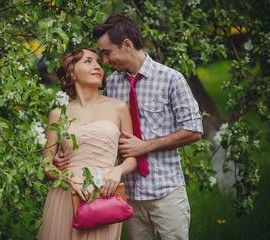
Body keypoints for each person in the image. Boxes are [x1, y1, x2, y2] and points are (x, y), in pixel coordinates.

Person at [54, 14, 203, 240]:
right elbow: (101, 127)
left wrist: (145, 147)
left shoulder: (172, 79)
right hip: (128, 192)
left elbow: (194, 130)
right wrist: (65, 153)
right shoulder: (112, 83)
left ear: (127, 45)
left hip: (166, 190)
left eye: (106, 52)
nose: (104, 61)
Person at [38, 48, 137, 240]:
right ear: (72, 73)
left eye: (98, 62)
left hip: (104, 192)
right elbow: (46, 167)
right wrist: (70, 180)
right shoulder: (58, 114)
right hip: (66, 193)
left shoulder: (118, 108)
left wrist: (117, 171)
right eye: (88, 61)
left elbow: (131, 158)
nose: (98, 66)